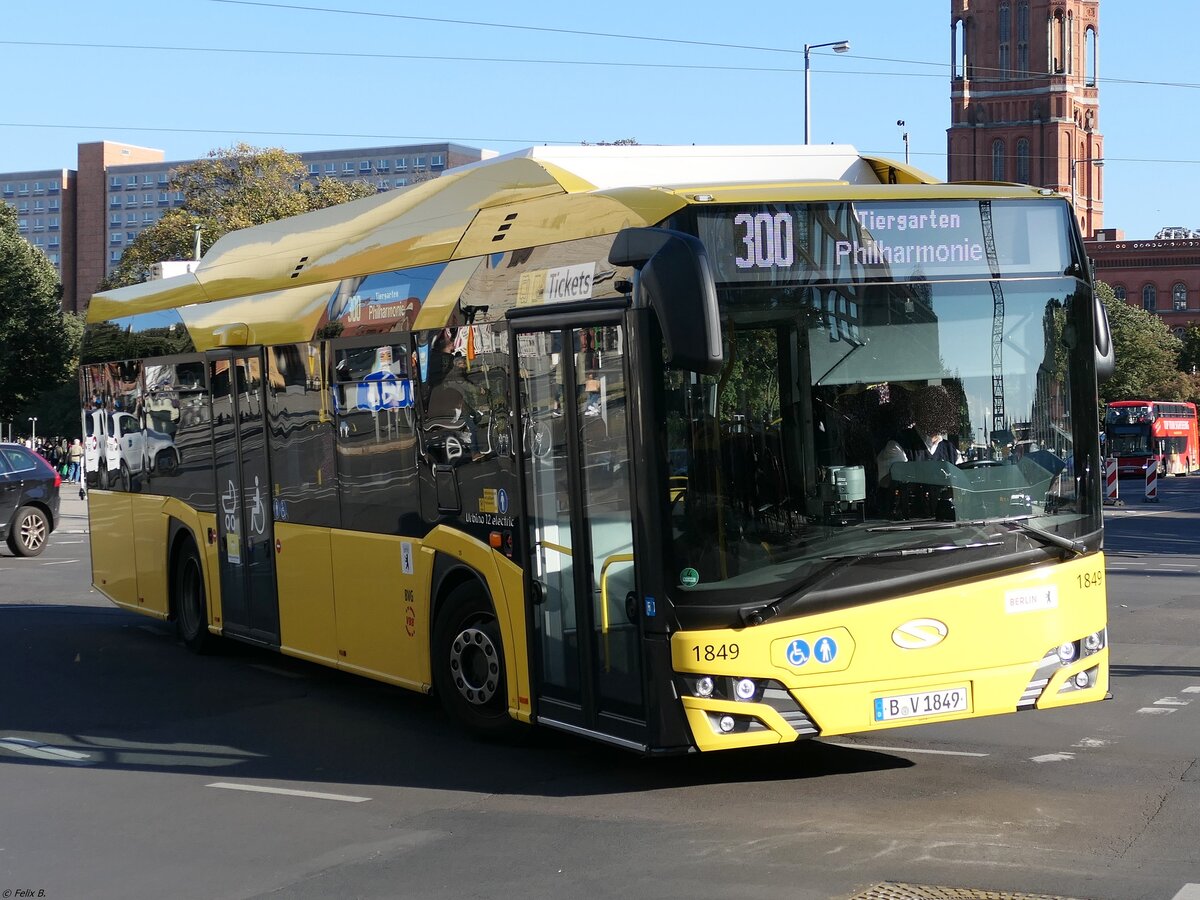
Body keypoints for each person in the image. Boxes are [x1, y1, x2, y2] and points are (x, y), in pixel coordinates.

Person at [876, 384, 963, 486]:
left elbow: (963, 485)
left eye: (942, 410)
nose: (937, 415)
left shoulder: (951, 451)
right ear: (918, 412)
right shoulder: (898, 445)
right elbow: (890, 484)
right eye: (930, 409)